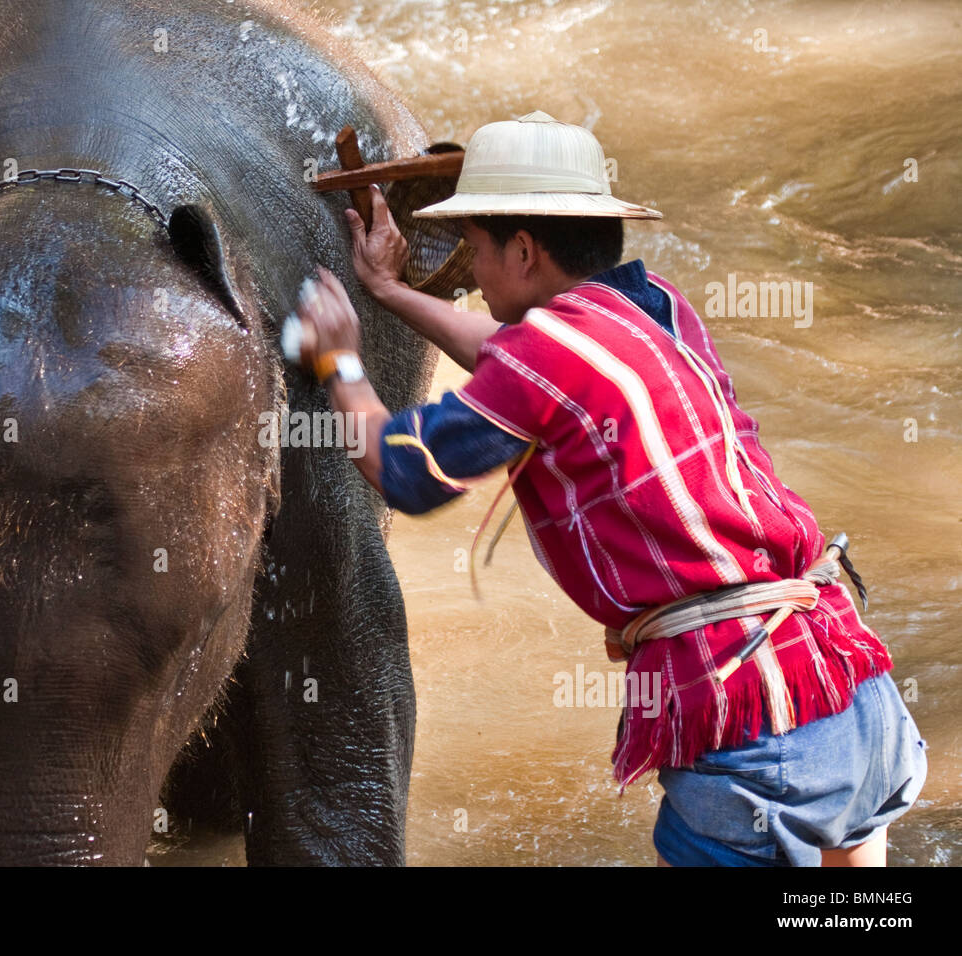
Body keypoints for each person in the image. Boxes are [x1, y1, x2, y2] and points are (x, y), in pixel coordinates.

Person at [291, 111, 927, 866]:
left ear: (523, 250)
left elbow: (405, 469)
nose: (470, 266)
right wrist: (391, 293)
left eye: (476, 247)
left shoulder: (548, 354)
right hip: (850, 688)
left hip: (756, 726)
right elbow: (517, 360)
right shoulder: (657, 305)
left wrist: (341, 363)